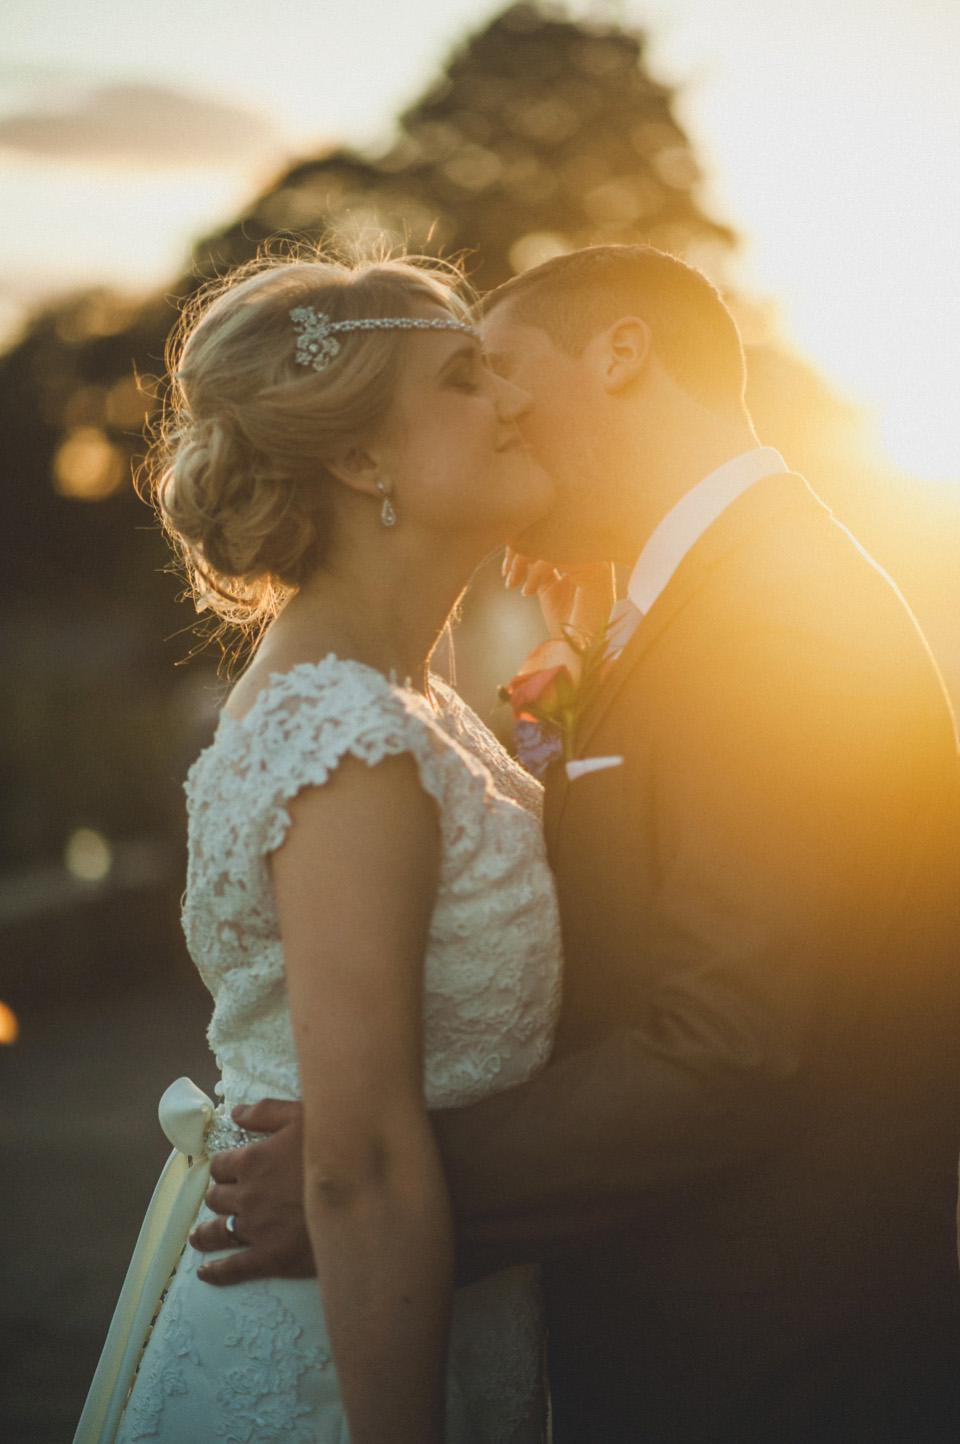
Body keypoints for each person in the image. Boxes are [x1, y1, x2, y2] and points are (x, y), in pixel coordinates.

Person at [193, 245, 960, 1443]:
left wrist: (402, 1174)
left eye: (496, 369)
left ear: (621, 352)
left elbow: (728, 1040)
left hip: (774, 1356)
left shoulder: (780, 614)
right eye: (465, 382)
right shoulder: (685, 604)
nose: (500, 405)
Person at [73, 253, 567, 1444]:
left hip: (440, 1304)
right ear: (360, 458)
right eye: (465, 379)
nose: (515, 401)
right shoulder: (347, 734)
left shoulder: (408, 694)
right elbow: (362, 1165)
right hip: (331, 1352)